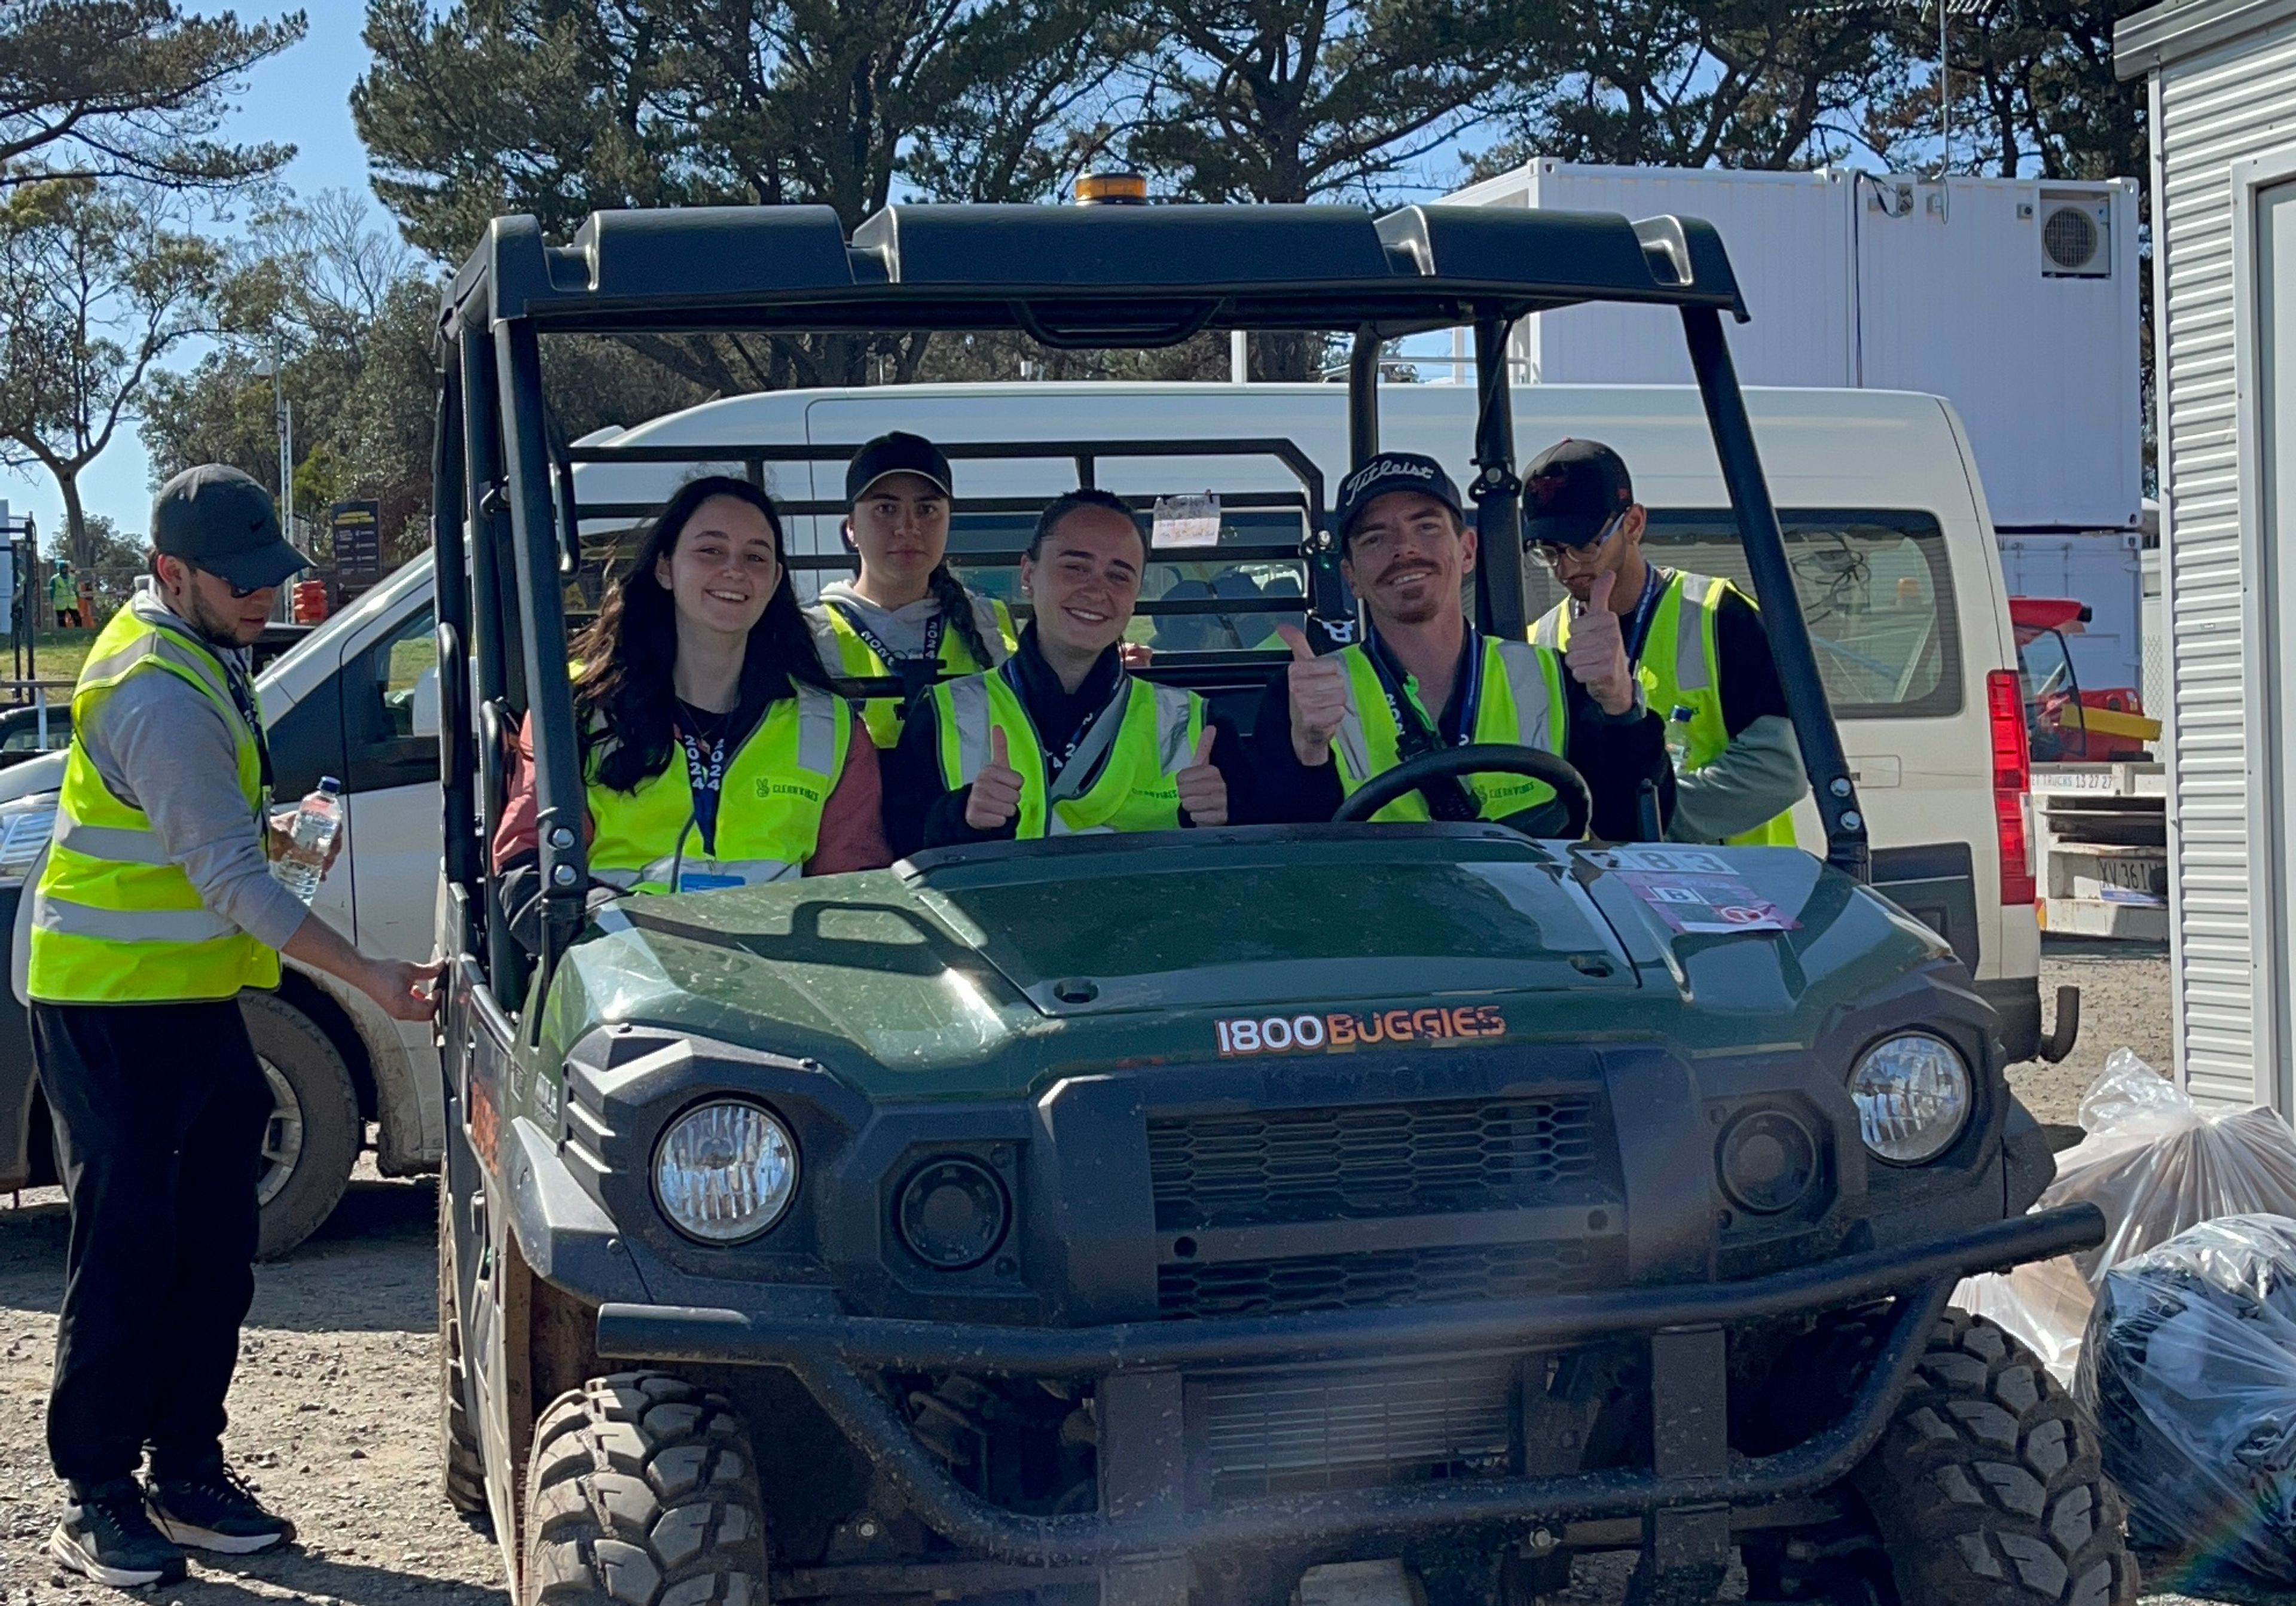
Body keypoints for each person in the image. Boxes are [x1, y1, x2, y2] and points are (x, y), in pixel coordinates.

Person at [28, 465, 442, 1587]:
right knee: (127, 1251)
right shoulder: (157, 689)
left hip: (197, 999)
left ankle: (189, 1470)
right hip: (109, 1008)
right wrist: (369, 971)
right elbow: (226, 882)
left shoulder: (209, 652)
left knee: (214, 1239)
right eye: (240, 581)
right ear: (172, 573)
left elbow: (218, 849)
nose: (264, 597)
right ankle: (99, 1493)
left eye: (271, 575)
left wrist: (286, 844)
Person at [493, 476, 889, 941]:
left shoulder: (834, 728)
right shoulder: (576, 709)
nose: (734, 571)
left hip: (784, 985)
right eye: (710, 551)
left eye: (756, 557)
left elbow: (855, 888)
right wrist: (611, 933)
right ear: (665, 568)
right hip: (625, 984)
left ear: (775, 580)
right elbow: (527, 869)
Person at [1250, 452, 1671, 840]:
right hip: (1377, 916)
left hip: (1535, 916)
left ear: (1468, 550)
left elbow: (1635, 829)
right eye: (1375, 538)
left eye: (1427, 527)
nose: (1405, 549)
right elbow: (1288, 869)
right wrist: (1309, 753)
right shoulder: (1300, 697)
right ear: (1351, 577)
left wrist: (1620, 707)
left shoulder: (1556, 679)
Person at [883, 488, 1250, 855]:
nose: (1096, 591)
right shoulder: (942, 714)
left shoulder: (1198, 724)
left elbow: (1252, 867)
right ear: (1028, 573)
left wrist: (1222, 822)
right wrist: (962, 818)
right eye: (1076, 567)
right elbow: (896, 852)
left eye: (1119, 576)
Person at [1523, 439, 1806, 845]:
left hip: (1732, 896)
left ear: (1634, 524)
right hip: (1603, 894)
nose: (1565, 568)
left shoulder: (1720, 616)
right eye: (1547, 552)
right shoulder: (1539, 642)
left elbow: (1780, 772)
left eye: (1583, 546)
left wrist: (1648, 816)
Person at [807, 432, 1018, 748]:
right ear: (851, 527)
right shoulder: (809, 631)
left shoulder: (989, 619)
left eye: (927, 510)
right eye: (885, 509)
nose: (908, 527)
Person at [50, 561, 80, 628]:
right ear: (60, 569)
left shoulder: (72, 578)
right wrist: (52, 599)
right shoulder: (55, 579)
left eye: (66, 568)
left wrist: (77, 596)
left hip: (72, 602)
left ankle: (79, 629)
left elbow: (76, 588)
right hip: (60, 602)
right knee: (61, 618)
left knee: (77, 617)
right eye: (63, 569)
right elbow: (52, 590)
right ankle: (62, 630)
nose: (65, 570)